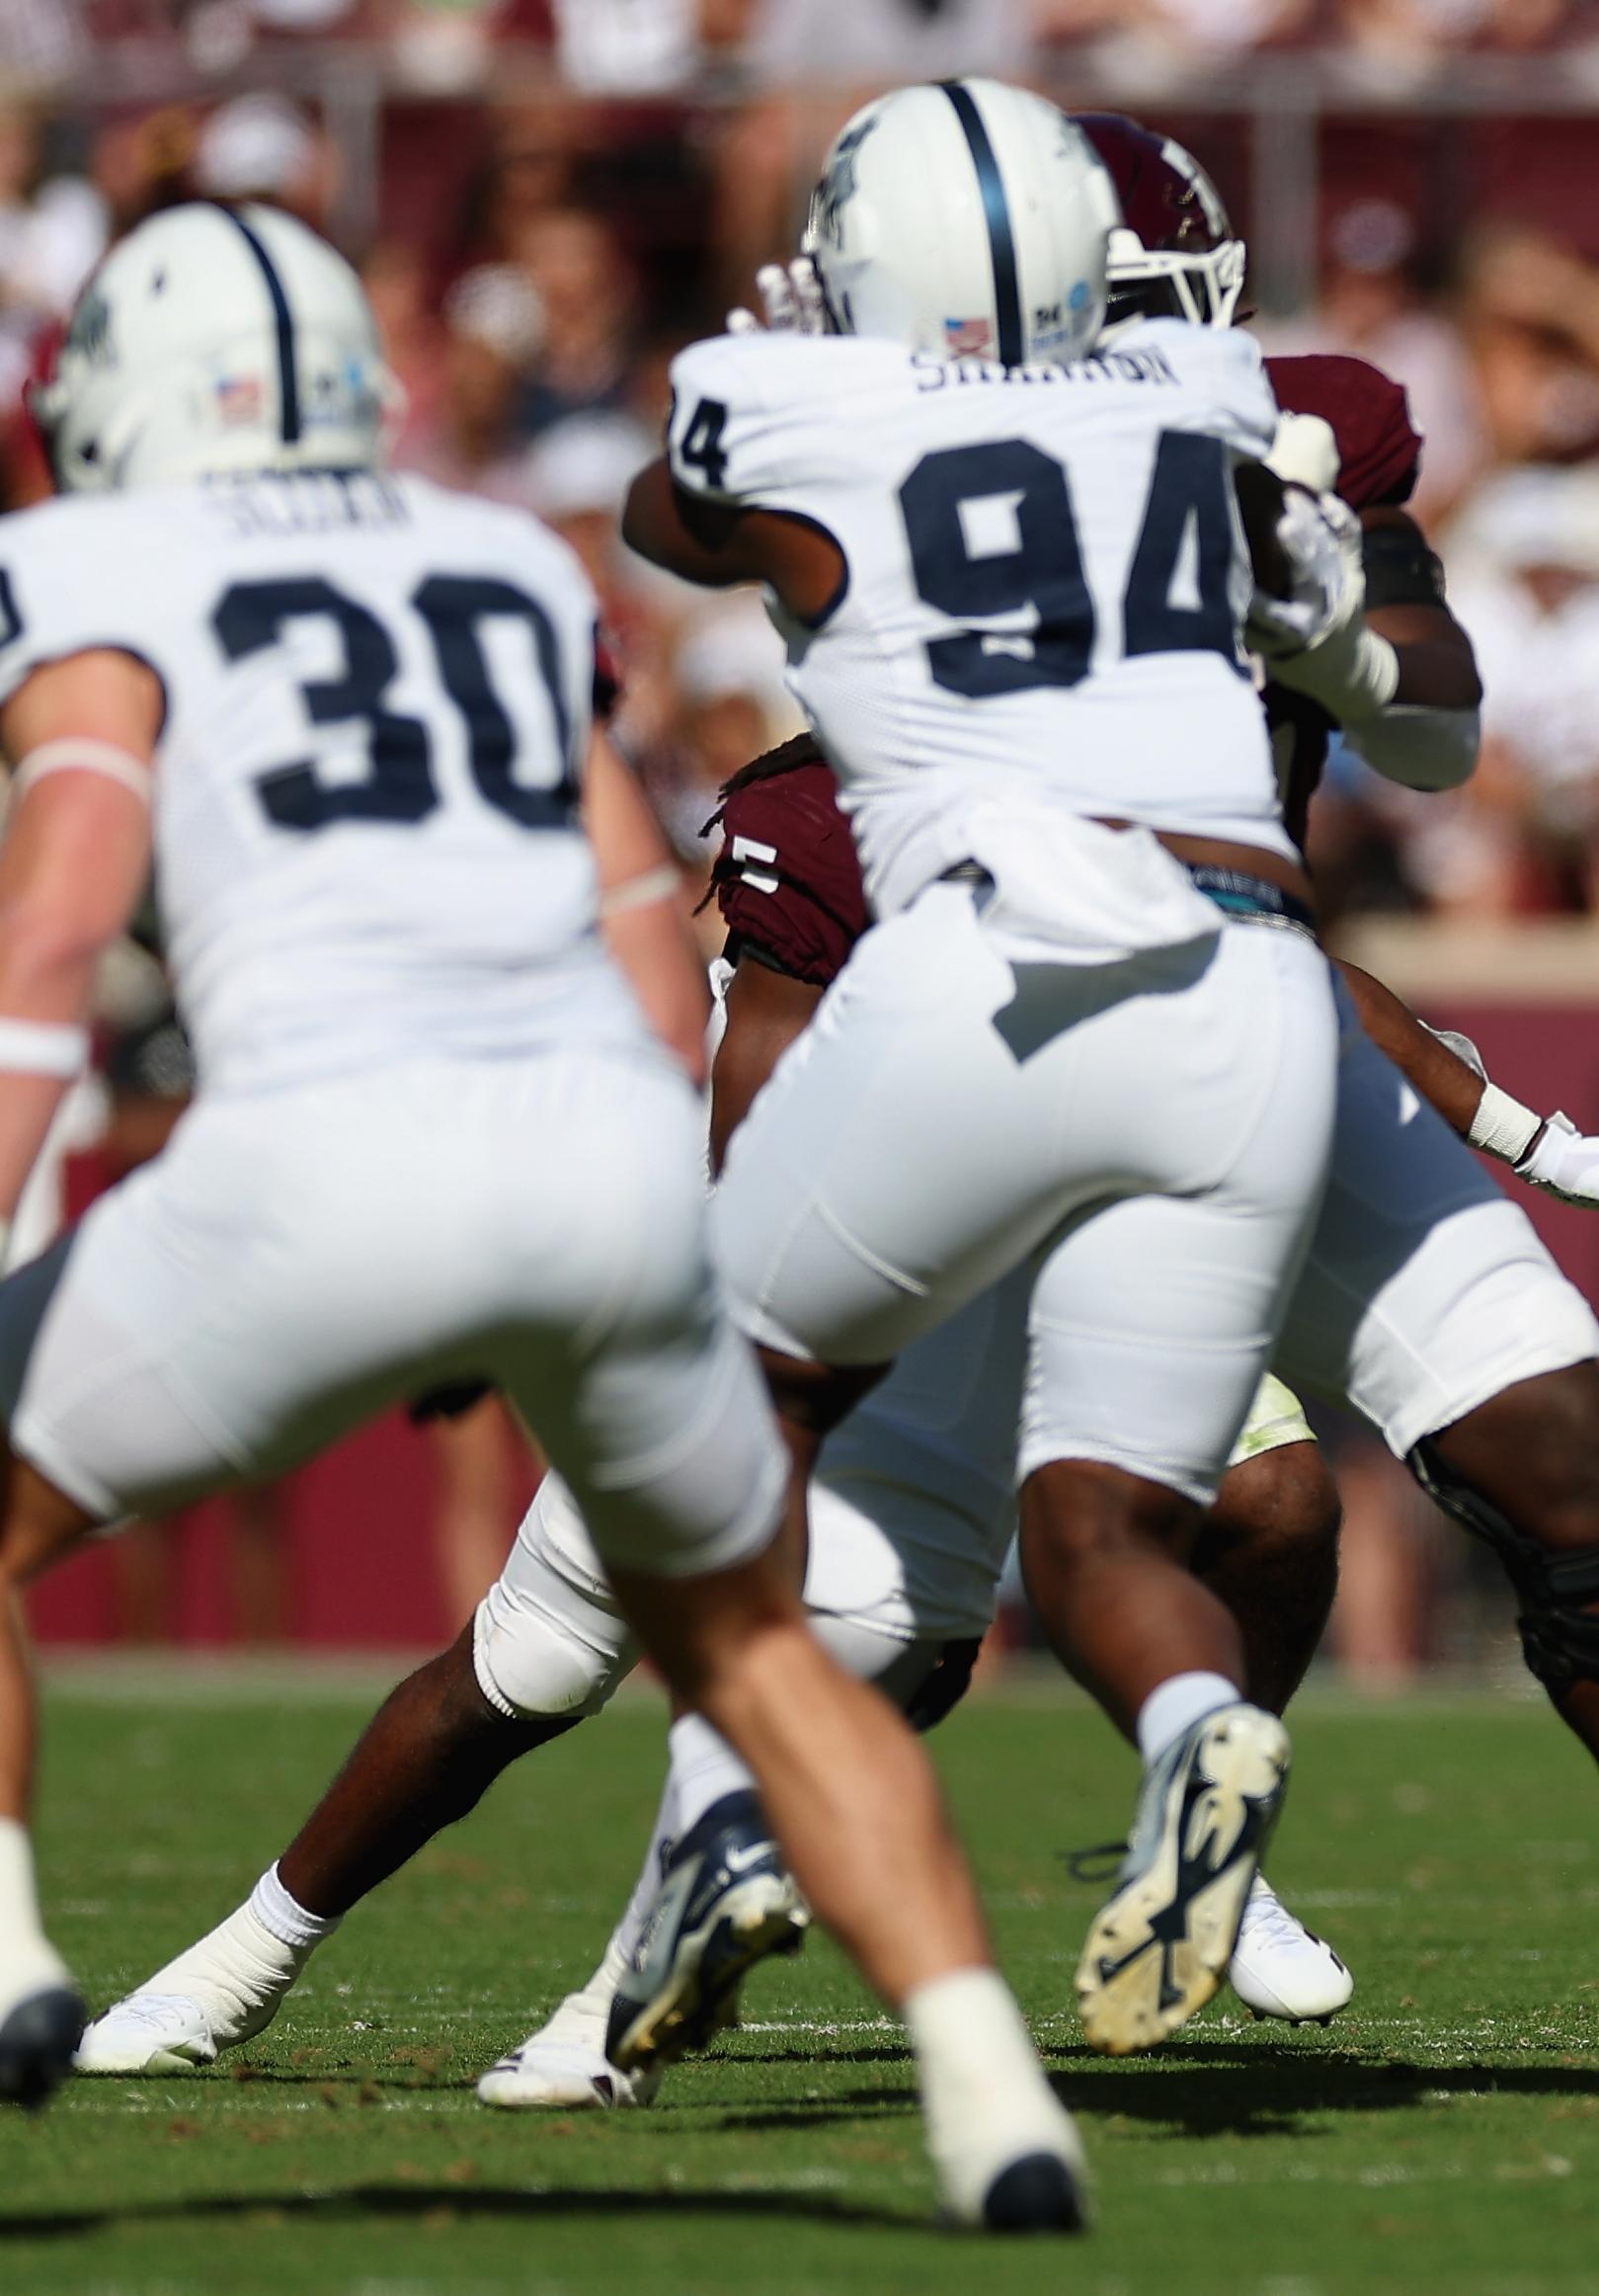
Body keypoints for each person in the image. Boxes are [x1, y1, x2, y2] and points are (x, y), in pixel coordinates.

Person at [79, 111, 1599, 2115]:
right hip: (1127, 1003)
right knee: (860, 1560)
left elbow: (683, 512)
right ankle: (713, 1869)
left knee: (1156, 1491)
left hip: (1109, 996)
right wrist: (1311, 585)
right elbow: (1429, 724)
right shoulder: (1225, 428)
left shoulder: (888, 413)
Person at [0, 199, 1088, 2228]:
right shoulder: (499, 556)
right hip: (596, 1158)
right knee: (752, 1656)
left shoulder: (90, 564)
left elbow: (52, 927)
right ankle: (990, 2090)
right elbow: (639, 933)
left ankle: (5, 1953)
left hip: (325, 1137)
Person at [611, 79, 1352, 2067]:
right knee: (1122, 1517)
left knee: (733, 1403)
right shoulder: (1201, 390)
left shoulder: (808, 400)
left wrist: (795, 370)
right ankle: (1195, 1730)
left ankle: (722, 1806)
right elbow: (1320, 618)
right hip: (1233, 978)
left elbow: (667, 520)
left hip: (982, 964)